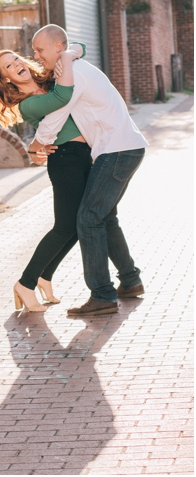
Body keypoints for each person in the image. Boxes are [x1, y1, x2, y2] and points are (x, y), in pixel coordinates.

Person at [30, 24, 148, 316]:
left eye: (39, 49)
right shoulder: (72, 65)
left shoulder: (73, 74)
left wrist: (37, 145)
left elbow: (56, 114)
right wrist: (71, 53)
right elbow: (76, 47)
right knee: (104, 216)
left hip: (116, 150)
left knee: (88, 218)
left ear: (58, 47)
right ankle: (130, 282)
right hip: (124, 148)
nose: (35, 55)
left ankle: (102, 295)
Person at [0, 42, 84, 312]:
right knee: (64, 228)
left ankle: (44, 276)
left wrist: (67, 52)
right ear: (5, 78)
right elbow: (64, 97)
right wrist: (65, 57)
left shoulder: (49, 80)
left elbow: (80, 46)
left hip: (81, 157)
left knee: (77, 228)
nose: (16, 64)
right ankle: (26, 283)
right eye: (8, 66)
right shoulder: (29, 104)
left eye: (16, 58)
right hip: (64, 162)